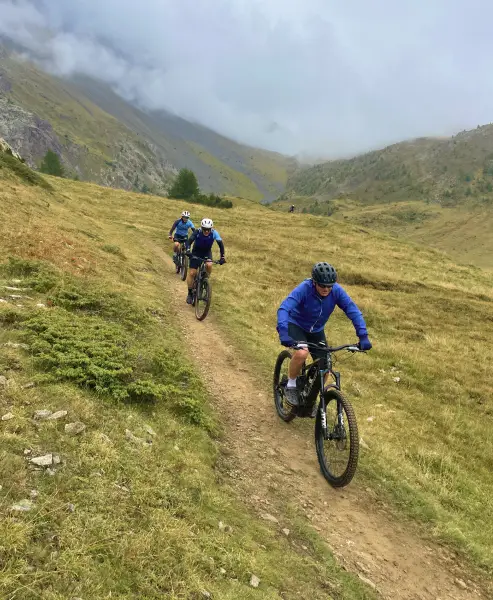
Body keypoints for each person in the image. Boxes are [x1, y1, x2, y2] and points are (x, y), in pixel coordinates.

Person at [276, 262, 372, 406]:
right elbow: (284, 308)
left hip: (316, 330)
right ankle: (291, 384)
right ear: (314, 282)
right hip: (296, 324)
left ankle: (310, 396)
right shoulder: (305, 289)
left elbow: (352, 310)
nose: (326, 289)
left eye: (329, 286)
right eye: (322, 285)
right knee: (302, 353)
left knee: (326, 367)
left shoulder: (336, 291)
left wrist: (363, 336)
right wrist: (283, 332)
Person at [185, 218, 226, 304]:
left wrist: (222, 257)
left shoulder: (214, 233)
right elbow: (189, 241)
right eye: (205, 229)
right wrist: (188, 250)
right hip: (196, 252)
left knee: (209, 265)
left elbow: (221, 245)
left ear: (211, 229)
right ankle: (189, 293)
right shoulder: (198, 232)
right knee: (192, 273)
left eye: (208, 229)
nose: (207, 231)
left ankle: (205, 281)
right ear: (202, 228)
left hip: (207, 252)